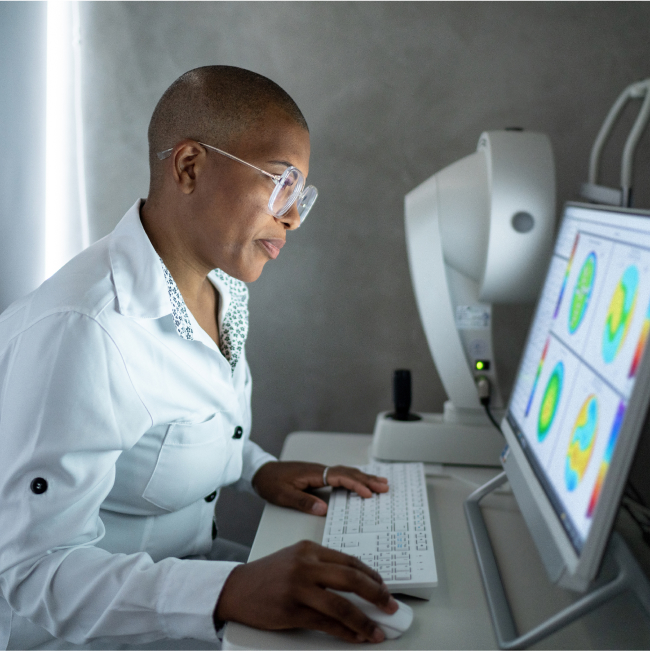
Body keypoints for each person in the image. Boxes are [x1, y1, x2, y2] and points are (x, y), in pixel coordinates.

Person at [0, 66, 398, 650]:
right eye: (281, 182)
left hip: (185, 582)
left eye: (302, 195)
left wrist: (255, 467)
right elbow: (31, 572)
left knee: (376, 612)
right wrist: (228, 592)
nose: (292, 217)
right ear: (189, 167)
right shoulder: (85, 332)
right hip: (92, 633)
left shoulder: (221, 289)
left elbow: (172, 431)